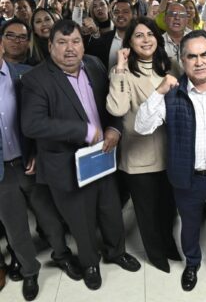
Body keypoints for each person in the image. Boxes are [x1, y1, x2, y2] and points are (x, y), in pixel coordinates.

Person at [21, 19, 141, 291]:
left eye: (75, 41)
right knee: (80, 220)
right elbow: (32, 124)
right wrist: (83, 130)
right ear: (50, 46)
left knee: (111, 210)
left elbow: (112, 102)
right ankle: (90, 263)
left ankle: (116, 252)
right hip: (65, 164)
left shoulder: (94, 65)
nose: (70, 48)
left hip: (102, 156)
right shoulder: (35, 79)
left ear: (83, 44)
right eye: (62, 43)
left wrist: (114, 128)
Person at [135, 30, 206, 293]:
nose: (199, 62)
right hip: (187, 177)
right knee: (189, 226)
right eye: (191, 56)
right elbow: (141, 127)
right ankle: (192, 263)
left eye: (204, 54)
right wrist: (159, 91)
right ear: (182, 60)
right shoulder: (171, 92)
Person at [0, 23, 83, 301]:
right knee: (15, 227)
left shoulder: (25, 75)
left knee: (49, 216)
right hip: (2, 173)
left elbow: (39, 120)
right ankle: (29, 271)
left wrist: (36, 150)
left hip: (29, 161)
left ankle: (62, 254)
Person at [106, 17, 180, 273]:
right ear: (129, 42)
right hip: (139, 155)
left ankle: (169, 245)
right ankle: (156, 254)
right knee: (147, 211)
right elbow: (117, 108)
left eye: (150, 34)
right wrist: (120, 67)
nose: (146, 39)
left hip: (169, 151)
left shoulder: (170, 66)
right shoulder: (122, 72)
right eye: (138, 35)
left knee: (168, 207)